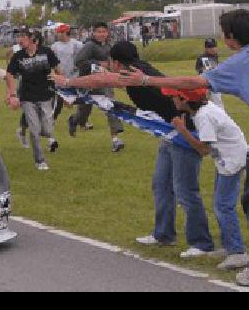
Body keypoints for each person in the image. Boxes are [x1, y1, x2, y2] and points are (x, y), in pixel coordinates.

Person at [113, 9, 249, 287]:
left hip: (238, 157)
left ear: (230, 39)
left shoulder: (237, 65)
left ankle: (247, 260)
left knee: (242, 204)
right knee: (238, 202)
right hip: (243, 153)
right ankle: (238, 252)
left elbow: (194, 84)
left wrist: (147, 81)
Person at [54, 40, 216, 258]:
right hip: (169, 131)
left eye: (110, 61)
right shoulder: (136, 68)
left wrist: (66, 81)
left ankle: (202, 243)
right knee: (161, 184)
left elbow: (102, 79)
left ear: (117, 62)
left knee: (186, 191)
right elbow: (104, 76)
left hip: (185, 134)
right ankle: (164, 234)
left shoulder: (134, 73)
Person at [165, 86, 249, 271]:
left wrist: (182, 130)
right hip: (230, 158)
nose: (173, 101)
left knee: (223, 206)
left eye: (175, 98)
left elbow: (203, 150)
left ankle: (237, 253)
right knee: (221, 205)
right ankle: (230, 247)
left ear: (185, 99)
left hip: (232, 161)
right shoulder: (204, 109)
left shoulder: (204, 116)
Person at [5, 29, 62, 170]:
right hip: (27, 98)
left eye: (23, 36)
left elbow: (58, 70)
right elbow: (9, 74)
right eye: (18, 36)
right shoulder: (18, 56)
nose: (20, 39)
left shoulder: (46, 52)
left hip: (47, 96)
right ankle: (40, 161)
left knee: (48, 131)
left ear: (32, 38)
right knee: (34, 130)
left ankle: (32, 132)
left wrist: (62, 81)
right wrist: (12, 94)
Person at [70, 22, 125, 152]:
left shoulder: (108, 46)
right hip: (88, 83)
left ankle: (115, 140)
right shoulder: (89, 46)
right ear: (93, 33)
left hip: (105, 83)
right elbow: (78, 61)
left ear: (107, 33)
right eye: (99, 32)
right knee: (84, 113)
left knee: (110, 107)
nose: (102, 34)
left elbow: (112, 63)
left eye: (104, 31)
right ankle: (74, 120)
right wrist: (97, 64)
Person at [50, 23, 82, 124]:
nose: (58, 35)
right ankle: (50, 120)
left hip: (74, 77)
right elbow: (52, 61)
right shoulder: (54, 46)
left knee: (81, 100)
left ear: (65, 33)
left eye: (59, 33)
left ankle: (80, 119)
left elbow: (82, 58)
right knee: (58, 101)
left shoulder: (77, 45)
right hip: (60, 78)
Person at [196, 38, 224, 109]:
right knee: (204, 102)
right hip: (206, 82)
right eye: (209, 47)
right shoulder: (203, 57)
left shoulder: (215, 56)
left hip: (213, 81)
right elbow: (209, 71)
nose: (211, 49)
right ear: (205, 48)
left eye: (213, 46)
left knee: (217, 102)